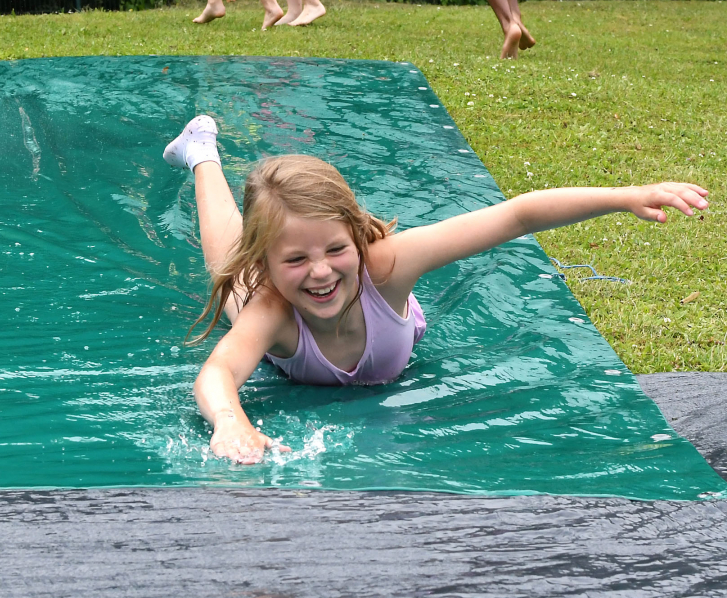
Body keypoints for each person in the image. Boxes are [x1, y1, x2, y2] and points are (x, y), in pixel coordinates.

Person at [163, 115, 708, 464]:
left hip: (385, 317)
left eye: (334, 250)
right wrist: (231, 420)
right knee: (229, 270)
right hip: (270, 296)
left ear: (356, 236)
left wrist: (625, 195)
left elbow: (515, 215)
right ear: (274, 262)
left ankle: (220, 174)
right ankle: (202, 152)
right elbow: (217, 373)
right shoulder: (274, 308)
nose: (321, 272)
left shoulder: (387, 266)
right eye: (296, 259)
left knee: (279, 267)